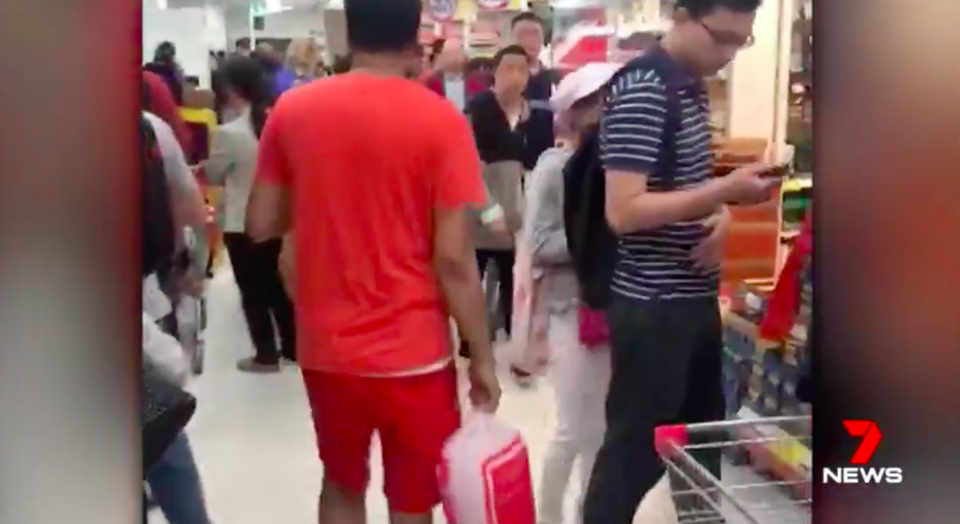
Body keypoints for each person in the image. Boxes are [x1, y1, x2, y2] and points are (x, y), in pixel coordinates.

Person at [244, 1, 501, 523]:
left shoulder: (293, 110)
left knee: (341, 484)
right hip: (415, 355)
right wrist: (482, 357)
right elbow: (453, 261)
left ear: (346, 34)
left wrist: (321, 193)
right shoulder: (441, 121)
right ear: (415, 41)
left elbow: (260, 225)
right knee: (411, 499)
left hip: (327, 349)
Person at [580, 1, 782, 523]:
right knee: (634, 453)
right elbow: (623, 211)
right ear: (681, 15)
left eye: (743, 42)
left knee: (700, 445)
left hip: (690, 300)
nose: (730, 54)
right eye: (722, 38)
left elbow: (681, 187)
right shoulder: (645, 88)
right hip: (652, 306)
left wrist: (723, 212)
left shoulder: (687, 85)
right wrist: (725, 190)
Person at [530, 63, 623, 524]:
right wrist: (597, 234)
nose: (604, 110)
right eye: (593, 102)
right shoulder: (554, 167)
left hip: (612, 310)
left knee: (601, 431)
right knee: (571, 428)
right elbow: (538, 243)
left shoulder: (621, 166)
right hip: (569, 309)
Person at [204, 56, 296, 372]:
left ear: (231, 90)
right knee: (280, 289)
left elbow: (215, 176)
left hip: (241, 221)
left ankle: (266, 354)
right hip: (279, 219)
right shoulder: (280, 121)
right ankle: (293, 347)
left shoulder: (230, 133)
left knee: (253, 293)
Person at [463, 45, 536, 384]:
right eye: (508, 68)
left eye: (522, 69)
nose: (515, 76)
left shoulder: (533, 114)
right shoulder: (478, 108)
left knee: (513, 280)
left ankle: (512, 347)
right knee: (472, 277)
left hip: (517, 206)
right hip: (480, 207)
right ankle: (471, 344)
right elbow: (466, 161)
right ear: (495, 71)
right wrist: (488, 208)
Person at [423, 38, 488, 112]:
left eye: (456, 53)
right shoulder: (432, 82)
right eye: (449, 54)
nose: (453, 58)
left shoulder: (476, 82)